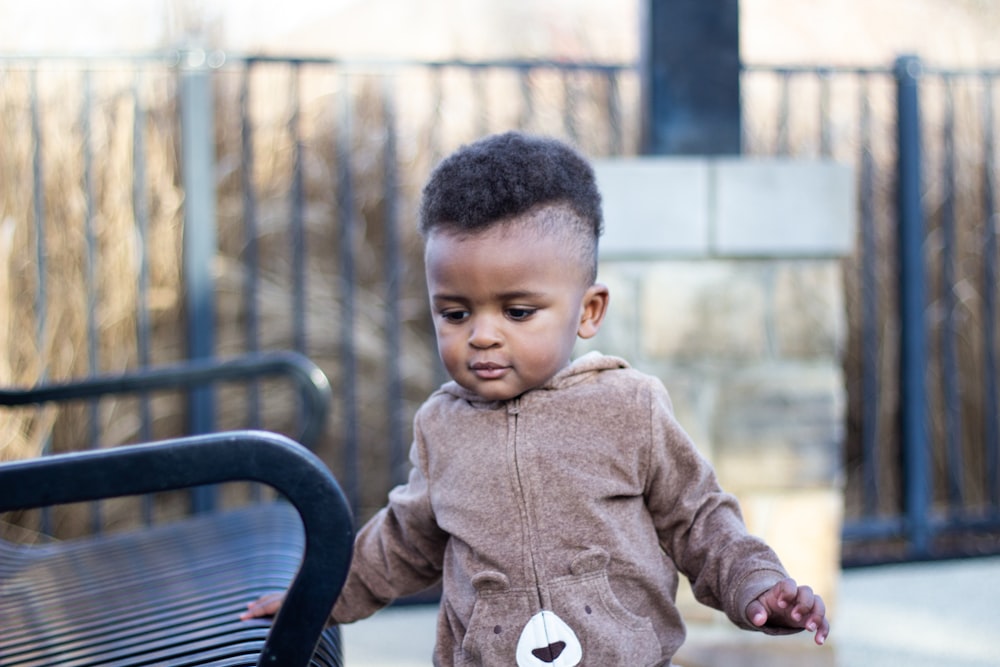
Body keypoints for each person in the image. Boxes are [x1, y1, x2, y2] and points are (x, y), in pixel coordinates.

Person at [242, 131, 830, 666]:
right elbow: (402, 540)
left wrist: (756, 583)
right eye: (454, 312)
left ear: (589, 310)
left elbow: (699, 520)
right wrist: (313, 598)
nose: (483, 334)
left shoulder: (630, 407)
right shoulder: (441, 426)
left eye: (518, 311)